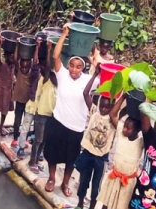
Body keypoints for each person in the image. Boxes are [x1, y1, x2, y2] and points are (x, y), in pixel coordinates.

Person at [44, 23, 99, 197]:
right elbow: (55, 55)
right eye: (72, 65)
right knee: (52, 154)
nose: (74, 70)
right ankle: (51, 178)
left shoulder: (89, 81)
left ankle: (65, 183)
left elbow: (102, 76)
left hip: (76, 128)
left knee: (70, 160)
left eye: (79, 67)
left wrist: (95, 56)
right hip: (58, 122)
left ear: (83, 68)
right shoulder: (62, 75)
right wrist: (64, 35)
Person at [70, 65, 117, 209]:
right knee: (83, 181)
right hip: (88, 153)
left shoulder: (113, 120)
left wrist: (123, 92)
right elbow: (85, 93)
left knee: (96, 186)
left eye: (108, 106)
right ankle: (80, 204)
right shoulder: (94, 111)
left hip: (100, 158)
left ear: (112, 108)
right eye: (102, 105)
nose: (104, 108)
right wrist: (96, 74)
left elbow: (117, 110)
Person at [95, 109, 143, 209]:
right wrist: (124, 96)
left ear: (136, 131)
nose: (125, 129)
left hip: (128, 180)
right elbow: (113, 115)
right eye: (125, 126)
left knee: (123, 208)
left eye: (129, 128)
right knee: (106, 202)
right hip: (114, 175)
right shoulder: (121, 134)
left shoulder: (140, 142)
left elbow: (150, 130)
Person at [27, 40, 57, 173]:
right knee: (38, 140)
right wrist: (50, 49)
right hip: (41, 115)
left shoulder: (57, 83)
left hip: (50, 116)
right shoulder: (45, 79)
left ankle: (37, 159)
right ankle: (31, 161)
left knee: (44, 141)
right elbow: (50, 66)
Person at [16, 38, 43, 159]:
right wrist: (37, 47)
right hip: (32, 103)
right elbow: (35, 62)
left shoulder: (50, 76)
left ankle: (38, 151)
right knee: (25, 126)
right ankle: (21, 147)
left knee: (40, 131)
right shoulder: (36, 72)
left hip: (42, 106)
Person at [10, 43, 38, 148]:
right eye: (22, 65)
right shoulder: (18, 72)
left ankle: (24, 139)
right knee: (17, 121)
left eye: (27, 66)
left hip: (27, 102)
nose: (24, 68)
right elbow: (16, 59)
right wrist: (17, 45)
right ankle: (15, 139)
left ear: (30, 66)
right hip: (19, 101)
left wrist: (37, 48)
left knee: (27, 122)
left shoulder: (31, 73)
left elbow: (35, 62)